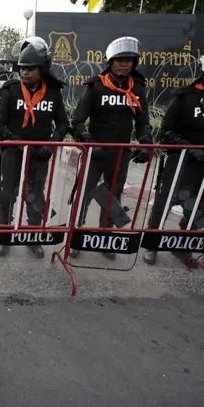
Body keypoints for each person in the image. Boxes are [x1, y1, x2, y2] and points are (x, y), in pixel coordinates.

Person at [143, 44, 204, 266]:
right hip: (180, 162)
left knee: (198, 204)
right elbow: (166, 131)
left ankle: (183, 246)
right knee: (165, 201)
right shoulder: (185, 97)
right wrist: (188, 147)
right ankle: (151, 244)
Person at [70, 36, 153, 259]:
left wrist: (146, 144)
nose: (124, 64)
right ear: (111, 62)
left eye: (129, 60)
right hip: (94, 152)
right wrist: (90, 144)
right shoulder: (95, 86)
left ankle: (106, 237)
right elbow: (77, 122)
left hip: (120, 153)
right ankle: (75, 237)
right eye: (120, 60)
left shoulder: (137, 89)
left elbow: (143, 123)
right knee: (84, 194)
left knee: (113, 195)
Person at [0, 37, 69, 258]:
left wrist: (53, 143)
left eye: (30, 69)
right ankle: (4, 236)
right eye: (22, 69)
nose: (25, 73)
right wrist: (17, 142)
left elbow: (63, 123)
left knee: (35, 194)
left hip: (40, 155)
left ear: (42, 68)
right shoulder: (11, 90)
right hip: (13, 154)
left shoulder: (53, 92)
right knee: (8, 194)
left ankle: (33, 236)